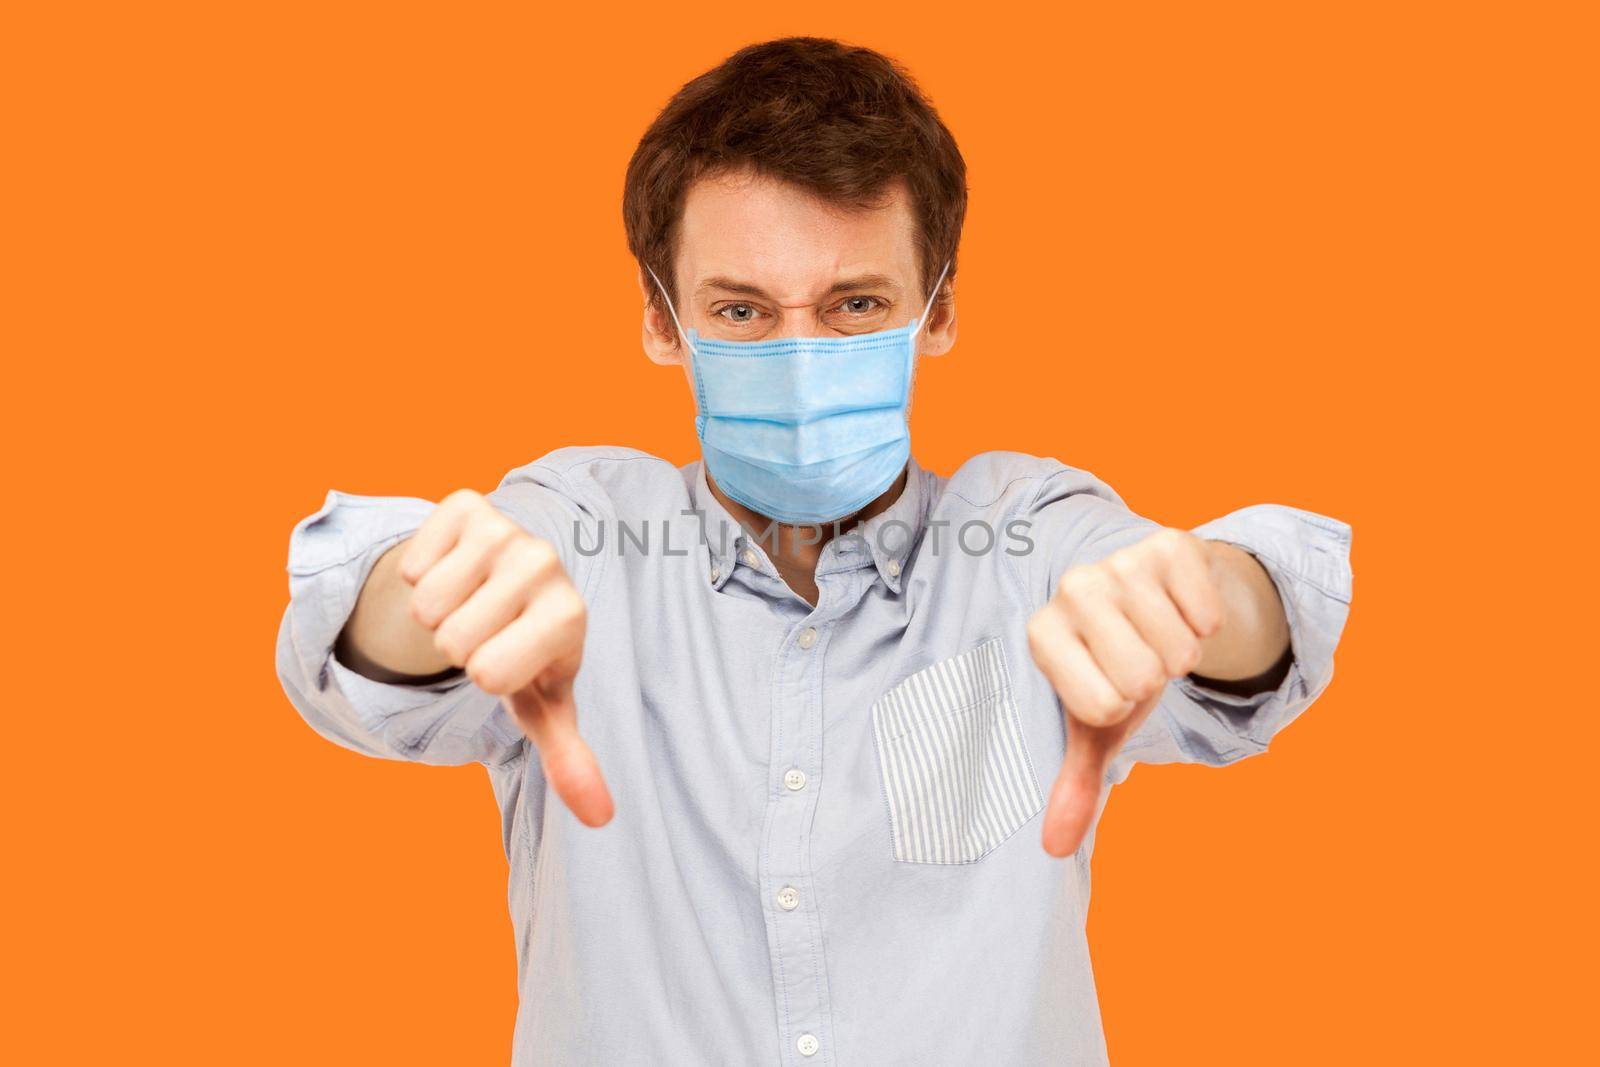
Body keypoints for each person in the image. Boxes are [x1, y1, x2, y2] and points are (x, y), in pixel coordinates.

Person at [275, 36, 1352, 1066]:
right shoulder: (585, 528)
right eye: (740, 309)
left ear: (937, 312)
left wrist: (1192, 592)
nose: (800, 354)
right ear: (662, 319)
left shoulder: (1024, 536)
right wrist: (438, 596)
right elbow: (377, 635)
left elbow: (1246, 611)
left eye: (855, 305)